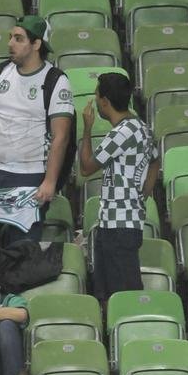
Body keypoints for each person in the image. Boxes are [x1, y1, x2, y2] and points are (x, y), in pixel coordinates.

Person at [0, 16, 74, 247]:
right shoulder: (0, 72)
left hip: (30, 176)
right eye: (11, 37)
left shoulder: (55, 81)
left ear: (36, 44)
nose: (10, 43)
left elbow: (61, 136)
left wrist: (50, 181)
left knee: (20, 255)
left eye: (18, 38)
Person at [78, 72, 158, 301]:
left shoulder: (120, 133)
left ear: (104, 101)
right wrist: (144, 191)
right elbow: (155, 160)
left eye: (96, 95)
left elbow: (86, 168)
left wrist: (86, 129)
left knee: (123, 295)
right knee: (108, 294)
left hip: (117, 225)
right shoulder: (141, 127)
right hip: (122, 221)